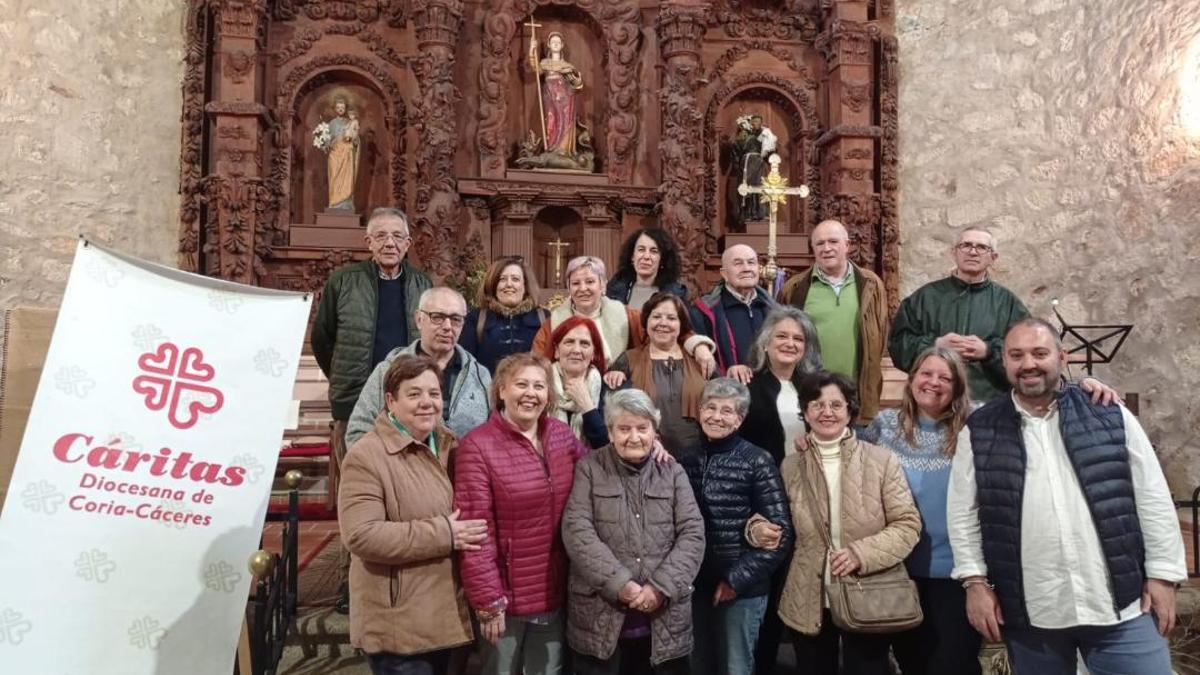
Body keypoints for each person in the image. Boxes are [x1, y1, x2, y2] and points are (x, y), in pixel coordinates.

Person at [947, 318, 1186, 675]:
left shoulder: (1108, 413)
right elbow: (963, 512)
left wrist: (1163, 575)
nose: (1028, 363)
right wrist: (975, 582)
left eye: (1039, 353)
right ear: (1005, 363)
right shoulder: (981, 429)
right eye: (1017, 355)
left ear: (1063, 356)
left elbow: (1151, 495)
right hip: (1032, 610)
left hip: (1119, 604)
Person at [312, 206, 431, 613]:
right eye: (380, 236)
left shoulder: (421, 283)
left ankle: (407, 576)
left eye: (397, 236)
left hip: (408, 409)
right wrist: (348, 385)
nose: (389, 243)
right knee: (357, 494)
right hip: (354, 404)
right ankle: (354, 584)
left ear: (408, 243)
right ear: (368, 242)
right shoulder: (344, 282)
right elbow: (324, 338)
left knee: (406, 493)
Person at [338, 354, 488, 675]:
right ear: (390, 401)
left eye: (434, 394)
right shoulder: (367, 456)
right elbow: (361, 535)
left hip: (446, 614)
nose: (427, 403)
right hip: (399, 623)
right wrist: (445, 533)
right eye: (414, 394)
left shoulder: (451, 446)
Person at [770, 370, 920, 675]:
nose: (827, 412)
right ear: (805, 411)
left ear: (850, 410)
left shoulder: (881, 461)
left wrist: (859, 554)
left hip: (869, 591)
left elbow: (907, 524)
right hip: (808, 596)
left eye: (836, 405)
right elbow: (779, 521)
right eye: (816, 404)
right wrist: (759, 529)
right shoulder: (791, 464)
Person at [454, 353, 589, 675]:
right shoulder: (477, 446)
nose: (531, 393)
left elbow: (599, 470)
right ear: (501, 390)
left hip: (553, 590)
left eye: (539, 386)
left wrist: (651, 446)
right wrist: (489, 602)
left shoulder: (560, 435)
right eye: (522, 384)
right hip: (506, 597)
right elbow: (475, 531)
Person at [562, 389, 706, 675]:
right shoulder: (589, 468)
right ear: (611, 432)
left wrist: (660, 587)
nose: (634, 437)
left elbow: (692, 533)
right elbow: (577, 530)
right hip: (601, 619)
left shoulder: (672, 471)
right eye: (624, 428)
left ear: (655, 431)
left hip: (663, 620)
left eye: (642, 428)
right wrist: (621, 584)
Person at [859, 347, 981, 675]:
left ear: (957, 387)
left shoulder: (977, 423)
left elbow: (1026, 404)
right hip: (899, 571)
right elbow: (849, 454)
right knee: (912, 662)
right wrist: (809, 441)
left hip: (955, 574)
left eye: (945, 377)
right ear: (912, 379)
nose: (934, 382)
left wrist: (1079, 386)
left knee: (953, 664)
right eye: (926, 373)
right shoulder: (884, 425)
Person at [680, 378, 793, 675]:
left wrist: (735, 580)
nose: (717, 416)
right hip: (696, 587)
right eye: (711, 407)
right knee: (699, 666)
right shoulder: (686, 458)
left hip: (741, 590)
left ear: (740, 419)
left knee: (736, 668)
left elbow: (780, 534)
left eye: (727, 411)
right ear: (700, 410)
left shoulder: (757, 461)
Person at [734, 306, 823, 675]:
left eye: (798, 339)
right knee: (766, 597)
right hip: (764, 503)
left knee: (804, 591)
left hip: (810, 501)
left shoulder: (816, 387)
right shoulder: (748, 384)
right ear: (765, 343)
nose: (789, 343)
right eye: (781, 336)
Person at [888, 227, 1030, 402]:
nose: (972, 252)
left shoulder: (1008, 304)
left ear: (993, 257)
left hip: (990, 403)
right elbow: (898, 346)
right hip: (934, 403)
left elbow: (1025, 354)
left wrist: (988, 351)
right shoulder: (925, 298)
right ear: (954, 253)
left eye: (981, 247)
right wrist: (935, 345)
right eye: (966, 245)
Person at [347, 287, 491, 447]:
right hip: (401, 469)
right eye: (438, 317)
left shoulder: (480, 375)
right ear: (418, 319)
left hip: (466, 470)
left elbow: (495, 436)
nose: (448, 326)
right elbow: (358, 433)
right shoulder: (388, 370)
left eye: (456, 319)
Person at [782, 220, 887, 422]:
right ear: (812, 248)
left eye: (833, 241)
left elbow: (880, 334)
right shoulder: (794, 288)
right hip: (811, 399)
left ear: (847, 245)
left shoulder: (871, 285)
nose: (827, 248)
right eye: (820, 243)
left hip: (858, 397)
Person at [533, 256, 715, 370]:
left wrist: (699, 346)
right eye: (575, 283)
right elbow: (538, 363)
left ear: (603, 285)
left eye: (590, 282)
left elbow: (664, 330)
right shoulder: (554, 321)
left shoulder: (627, 315)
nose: (583, 289)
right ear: (569, 288)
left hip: (618, 391)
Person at [607, 293, 709, 457]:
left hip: (700, 456)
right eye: (656, 316)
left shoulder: (700, 359)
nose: (663, 323)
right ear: (646, 322)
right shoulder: (628, 359)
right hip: (647, 457)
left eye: (671, 318)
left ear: (681, 324)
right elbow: (615, 412)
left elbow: (725, 395)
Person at [690, 244, 778, 383]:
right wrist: (727, 375)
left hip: (769, 394)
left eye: (751, 262)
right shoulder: (704, 311)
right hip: (727, 395)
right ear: (724, 273)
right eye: (738, 263)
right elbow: (699, 360)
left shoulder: (775, 310)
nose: (747, 268)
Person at [460, 256, 546, 374]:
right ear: (493, 285)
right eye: (502, 279)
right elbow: (465, 366)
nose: (509, 284)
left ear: (525, 286)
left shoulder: (544, 318)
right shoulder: (475, 319)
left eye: (515, 279)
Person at [546, 316, 609, 449]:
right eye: (569, 342)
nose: (576, 350)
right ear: (557, 350)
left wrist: (587, 405)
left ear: (593, 353)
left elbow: (605, 445)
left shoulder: (608, 389)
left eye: (584, 344)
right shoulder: (539, 385)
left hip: (588, 467)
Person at [606, 228, 689, 307]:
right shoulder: (614, 290)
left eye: (653, 251)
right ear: (632, 256)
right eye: (641, 249)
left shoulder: (675, 295)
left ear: (662, 260)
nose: (646, 256)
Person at [323, 97, 360, 210]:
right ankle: (334, 202)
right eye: (338, 107)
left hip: (346, 153)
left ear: (345, 109)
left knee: (346, 178)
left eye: (342, 107)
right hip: (334, 154)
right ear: (335, 108)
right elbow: (326, 139)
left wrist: (354, 140)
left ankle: (346, 203)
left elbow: (356, 139)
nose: (340, 109)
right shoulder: (331, 124)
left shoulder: (350, 122)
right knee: (334, 177)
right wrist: (326, 144)